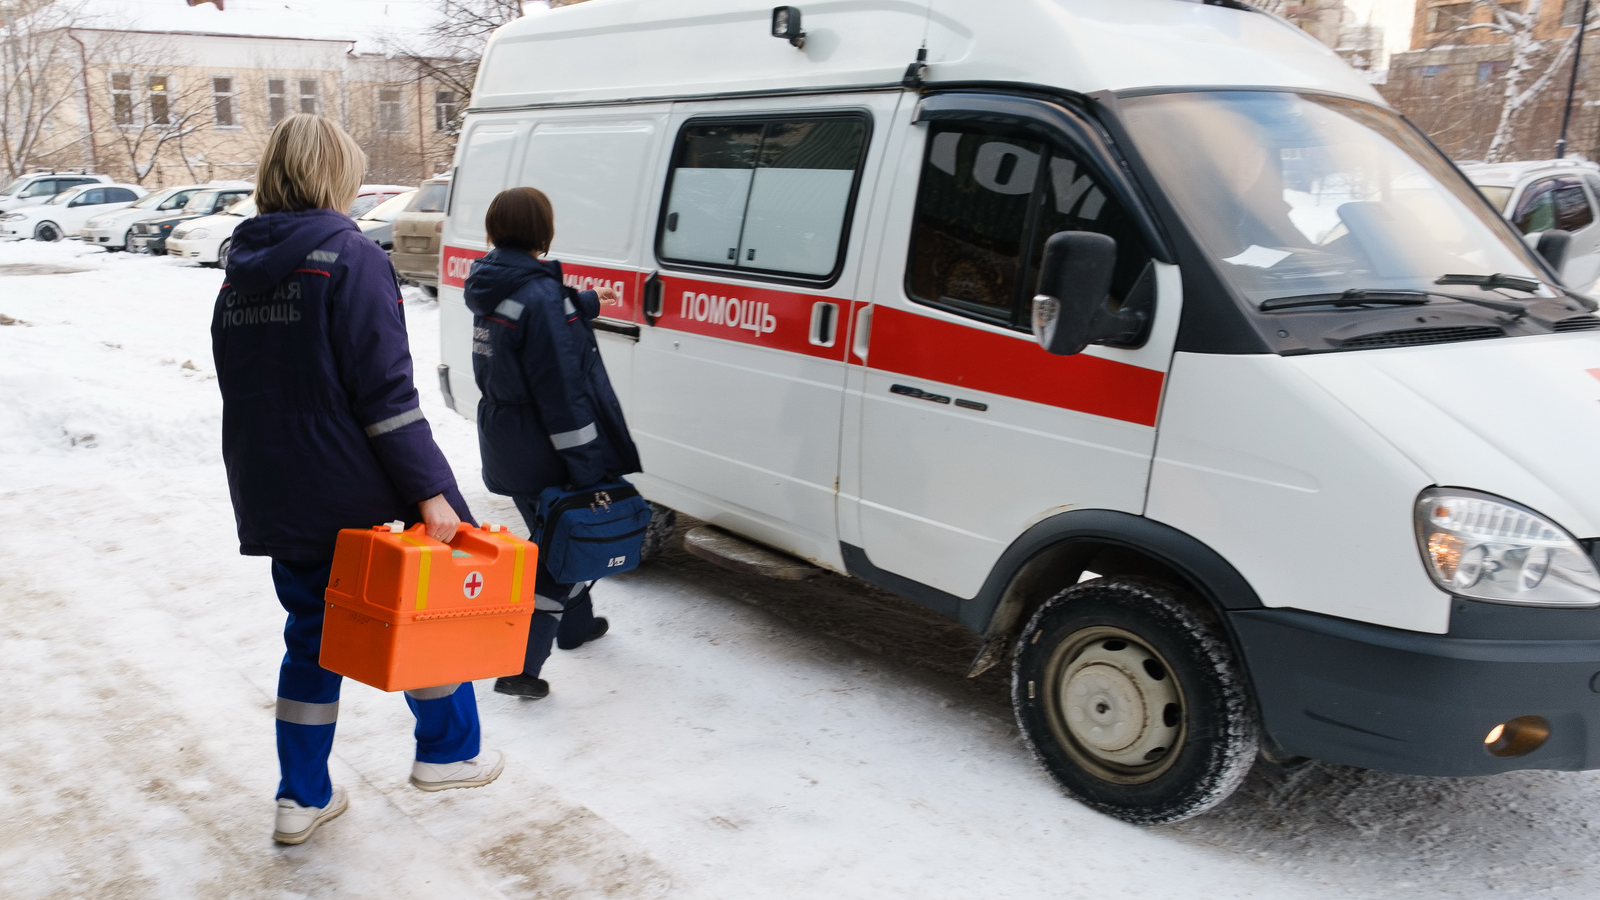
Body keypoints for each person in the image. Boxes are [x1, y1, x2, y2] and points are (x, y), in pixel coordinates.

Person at [211, 113, 502, 846]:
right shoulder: (349, 257)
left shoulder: (239, 273)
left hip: (273, 486)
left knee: (311, 638)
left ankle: (299, 798)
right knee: (422, 614)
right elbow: (384, 394)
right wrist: (434, 492)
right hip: (355, 489)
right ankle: (449, 752)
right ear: (333, 174)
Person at [463, 186, 642, 701]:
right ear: (544, 233)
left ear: (495, 232)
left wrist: (586, 302)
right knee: (565, 547)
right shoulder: (538, 293)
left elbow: (540, 323)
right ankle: (521, 667)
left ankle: (576, 627)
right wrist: (588, 468)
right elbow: (561, 394)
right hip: (546, 445)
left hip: (506, 438)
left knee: (558, 537)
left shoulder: (498, 284)